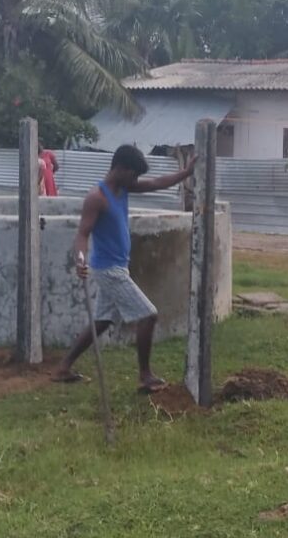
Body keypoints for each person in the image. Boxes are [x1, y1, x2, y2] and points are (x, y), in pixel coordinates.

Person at [55, 145, 196, 393]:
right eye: (133, 174)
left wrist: (185, 173)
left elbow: (156, 183)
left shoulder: (123, 187)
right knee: (148, 315)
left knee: (102, 322)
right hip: (108, 269)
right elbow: (82, 234)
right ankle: (145, 376)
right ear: (120, 168)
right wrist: (80, 259)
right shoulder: (96, 197)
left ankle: (63, 367)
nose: (136, 180)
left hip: (118, 265)